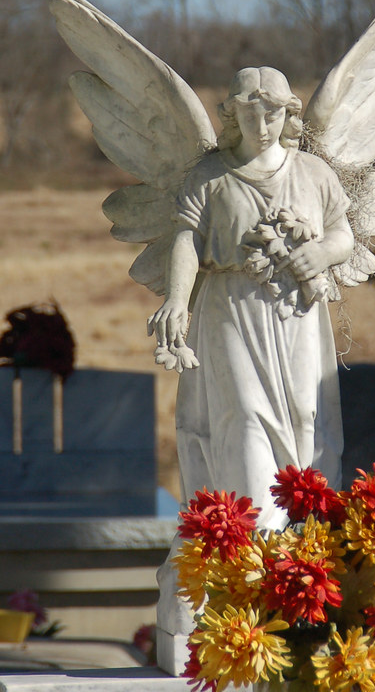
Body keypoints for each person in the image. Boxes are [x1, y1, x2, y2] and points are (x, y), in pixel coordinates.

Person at [148, 66, 355, 529]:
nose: (262, 129)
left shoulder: (312, 173)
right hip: (230, 310)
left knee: (307, 415)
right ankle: (255, 534)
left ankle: (307, 535)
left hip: (297, 316)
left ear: (288, 114)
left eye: (273, 116)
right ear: (233, 116)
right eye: (250, 116)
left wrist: (320, 252)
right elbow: (187, 239)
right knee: (243, 414)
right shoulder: (210, 176)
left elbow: (344, 233)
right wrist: (178, 300)